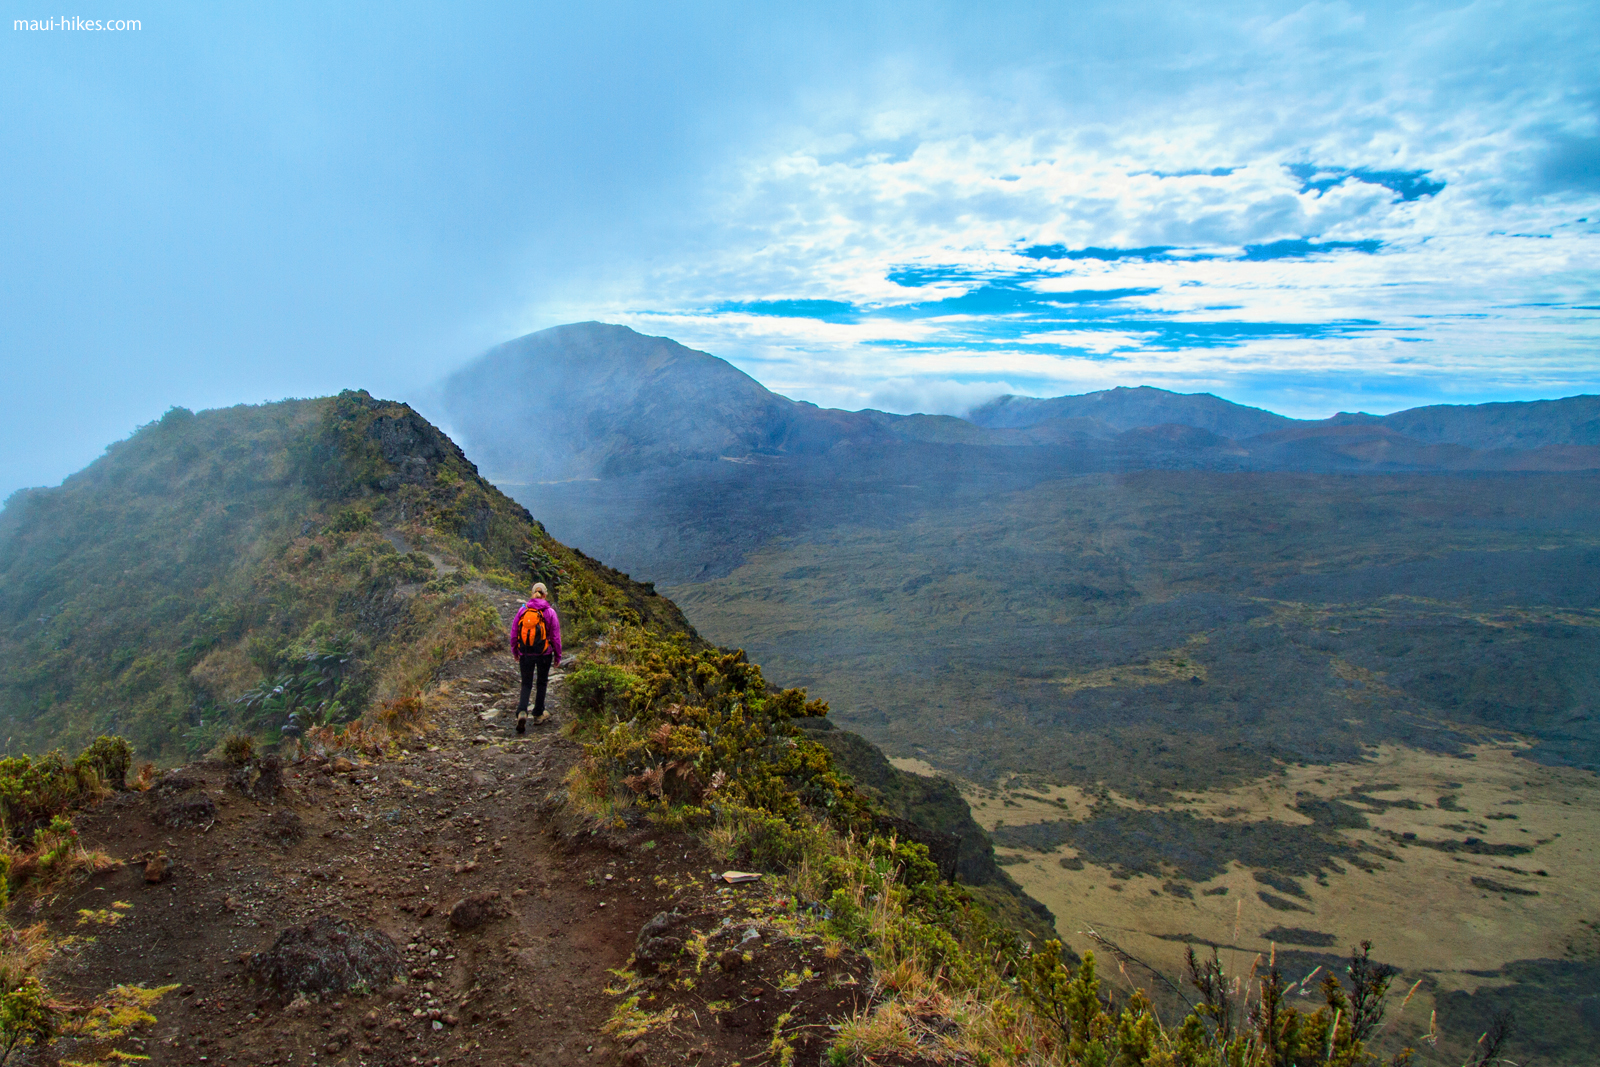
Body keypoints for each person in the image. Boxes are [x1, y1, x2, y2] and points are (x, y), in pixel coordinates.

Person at [509, 581, 562, 733]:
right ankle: (538, 713)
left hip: (525, 652)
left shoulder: (523, 610)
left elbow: (514, 632)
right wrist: (557, 656)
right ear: (545, 595)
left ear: (532, 594)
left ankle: (522, 711)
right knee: (542, 682)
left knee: (526, 683)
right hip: (544, 653)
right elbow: (555, 637)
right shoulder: (550, 612)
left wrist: (515, 651)